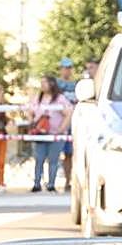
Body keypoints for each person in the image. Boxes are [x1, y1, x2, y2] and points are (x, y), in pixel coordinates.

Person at [28, 74, 72, 193]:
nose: (42, 85)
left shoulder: (60, 99)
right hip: (41, 134)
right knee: (39, 158)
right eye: (41, 83)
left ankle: (51, 184)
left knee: (53, 160)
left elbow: (68, 113)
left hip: (55, 135)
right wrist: (33, 123)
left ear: (51, 84)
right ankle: (37, 183)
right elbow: (30, 111)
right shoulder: (38, 98)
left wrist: (61, 129)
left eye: (44, 82)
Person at [57, 57, 77, 190]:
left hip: (73, 123)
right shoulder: (56, 84)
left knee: (70, 154)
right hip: (59, 123)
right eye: (65, 68)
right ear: (61, 69)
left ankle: (69, 181)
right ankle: (50, 182)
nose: (67, 71)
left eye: (69, 68)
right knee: (54, 153)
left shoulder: (76, 85)